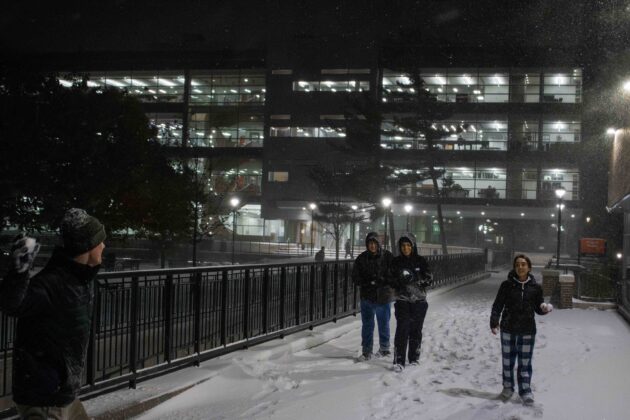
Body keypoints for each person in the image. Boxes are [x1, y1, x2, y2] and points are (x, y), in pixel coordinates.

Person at [0, 208, 106, 420]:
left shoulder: (81, 279)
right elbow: (12, 304)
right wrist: (20, 269)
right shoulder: (52, 283)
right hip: (45, 397)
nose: (104, 246)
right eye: (100, 241)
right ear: (87, 246)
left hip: (63, 394)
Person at [490, 254, 553, 406]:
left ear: (529, 268)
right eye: (517, 264)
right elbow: (498, 305)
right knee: (508, 361)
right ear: (515, 267)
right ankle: (507, 388)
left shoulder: (535, 288)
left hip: (527, 330)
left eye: (523, 264)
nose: (520, 267)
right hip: (508, 328)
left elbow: (538, 308)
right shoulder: (506, 285)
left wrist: (544, 308)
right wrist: (494, 321)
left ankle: (525, 390)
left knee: (525, 362)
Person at [389, 232, 432, 372]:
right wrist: (400, 282)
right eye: (403, 245)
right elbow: (390, 279)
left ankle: (414, 358)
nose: (406, 248)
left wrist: (421, 280)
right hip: (402, 300)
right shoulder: (395, 262)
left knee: (416, 330)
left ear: (413, 246)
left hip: (419, 301)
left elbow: (429, 278)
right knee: (402, 329)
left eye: (408, 245)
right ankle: (399, 360)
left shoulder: (421, 261)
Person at [351, 232, 394, 360]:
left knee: (384, 323)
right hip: (367, 296)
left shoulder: (387, 257)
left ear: (379, 244)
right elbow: (355, 277)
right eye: (370, 243)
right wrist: (367, 282)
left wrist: (383, 280)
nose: (373, 246)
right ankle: (367, 351)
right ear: (367, 244)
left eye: (375, 243)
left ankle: (385, 348)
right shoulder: (361, 259)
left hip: (383, 296)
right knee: (367, 325)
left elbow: (393, 274)